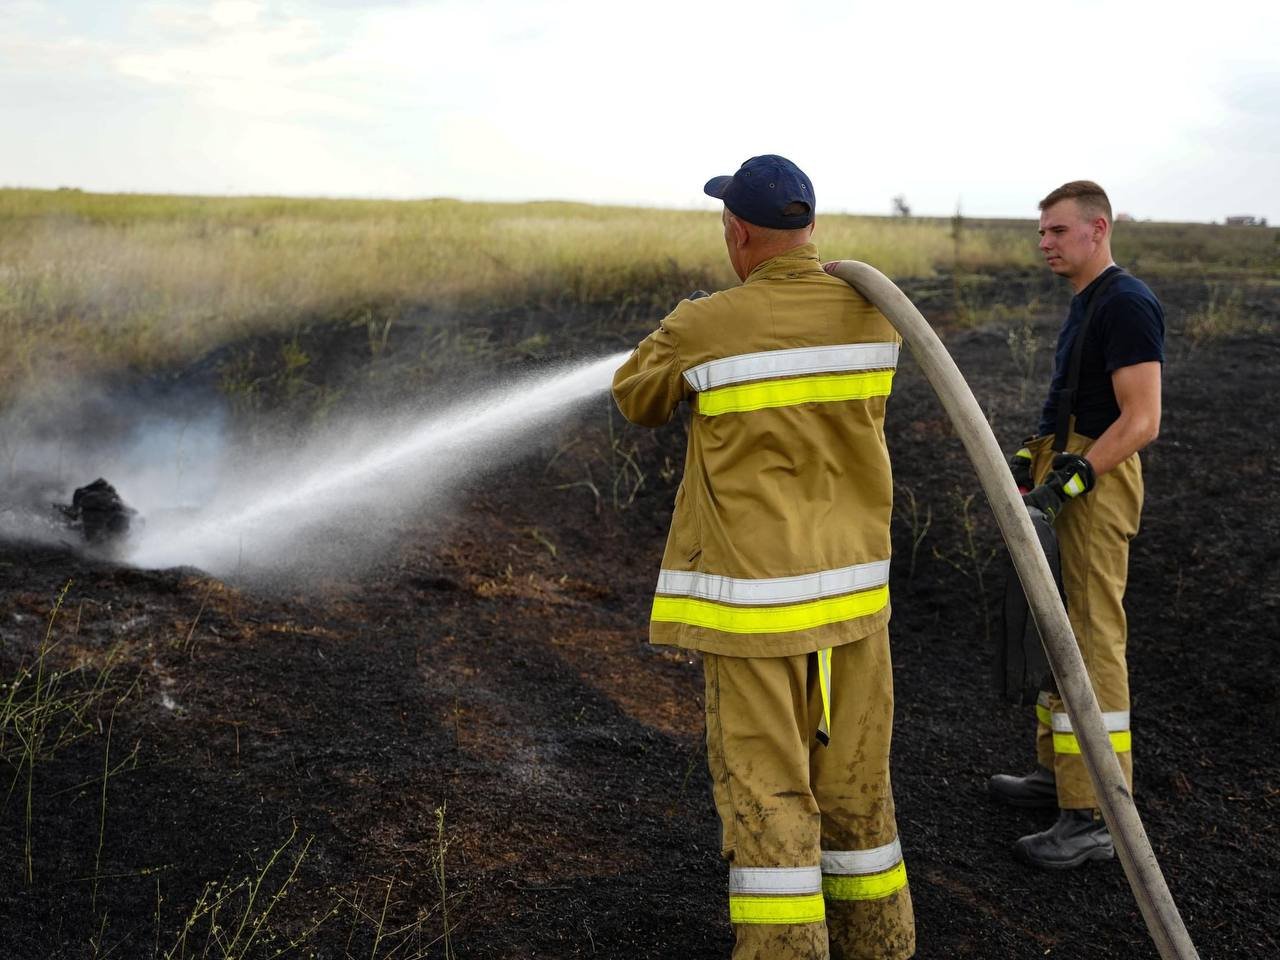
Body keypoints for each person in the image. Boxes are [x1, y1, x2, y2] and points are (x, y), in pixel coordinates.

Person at [612, 155, 914, 959]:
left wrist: (680, 330)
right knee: (856, 791)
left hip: (757, 612)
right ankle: (879, 946)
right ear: (809, 228)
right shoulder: (874, 313)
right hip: (854, 607)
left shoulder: (706, 323)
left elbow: (636, 397)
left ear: (737, 233)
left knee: (768, 794)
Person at [989, 181, 1164, 869]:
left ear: (1098, 228)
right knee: (1052, 631)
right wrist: (1036, 455)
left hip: (1097, 483)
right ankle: (1058, 777)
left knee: (1090, 640)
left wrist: (1081, 475)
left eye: (1057, 232)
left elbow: (1142, 417)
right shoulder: (1088, 301)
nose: (1045, 244)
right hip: (1067, 471)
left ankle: (1094, 813)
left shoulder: (1126, 302)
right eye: (1041, 233)